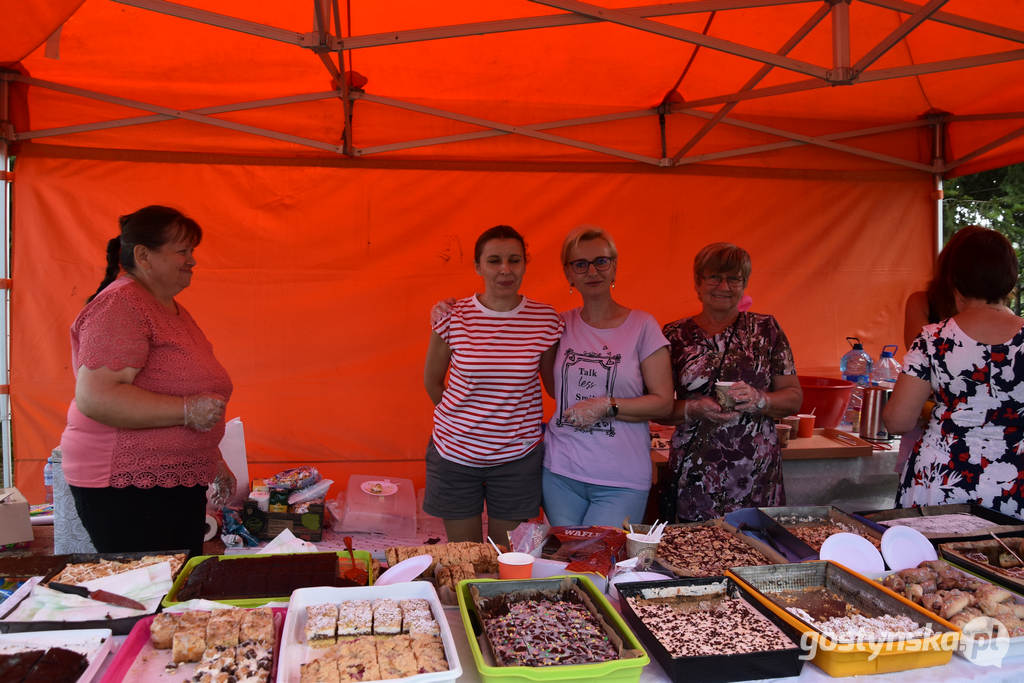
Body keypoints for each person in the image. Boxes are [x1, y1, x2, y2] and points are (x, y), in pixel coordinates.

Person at [60, 205, 234, 557]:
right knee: (151, 591)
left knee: (176, 586)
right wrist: (188, 411)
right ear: (144, 255)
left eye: (192, 252)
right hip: (126, 486)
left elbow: (176, 388)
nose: (192, 261)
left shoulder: (168, 308)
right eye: (182, 251)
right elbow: (98, 398)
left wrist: (212, 458)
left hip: (170, 481)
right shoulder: (120, 306)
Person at [423, 225, 564, 543]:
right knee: (467, 557)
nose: (505, 270)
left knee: (507, 559)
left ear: (525, 264)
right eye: (494, 260)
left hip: (517, 458)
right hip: (454, 454)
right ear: (478, 266)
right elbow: (432, 381)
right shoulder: (452, 316)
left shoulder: (545, 320)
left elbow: (553, 387)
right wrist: (462, 420)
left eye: (514, 260)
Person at [884, 227, 1024, 518]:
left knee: (928, 563)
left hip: (942, 483)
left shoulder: (934, 338)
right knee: (1005, 563)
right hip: (1013, 486)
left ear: (954, 280)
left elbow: (898, 421)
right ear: (1010, 279)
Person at [659, 243, 803, 522]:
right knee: (694, 555)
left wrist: (761, 399)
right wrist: (694, 408)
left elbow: (794, 397)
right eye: (714, 277)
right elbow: (659, 407)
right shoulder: (674, 335)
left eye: (734, 278)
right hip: (695, 472)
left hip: (755, 472)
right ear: (697, 283)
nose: (723, 286)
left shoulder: (765, 330)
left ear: (744, 284)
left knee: (754, 552)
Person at [541, 226, 673, 527]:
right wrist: (453, 310)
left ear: (614, 267)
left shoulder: (643, 326)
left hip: (621, 480)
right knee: (567, 565)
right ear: (568, 274)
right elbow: (553, 389)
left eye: (601, 261)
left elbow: (664, 403)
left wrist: (608, 405)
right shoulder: (557, 325)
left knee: (598, 569)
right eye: (580, 264)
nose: (592, 271)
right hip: (560, 473)